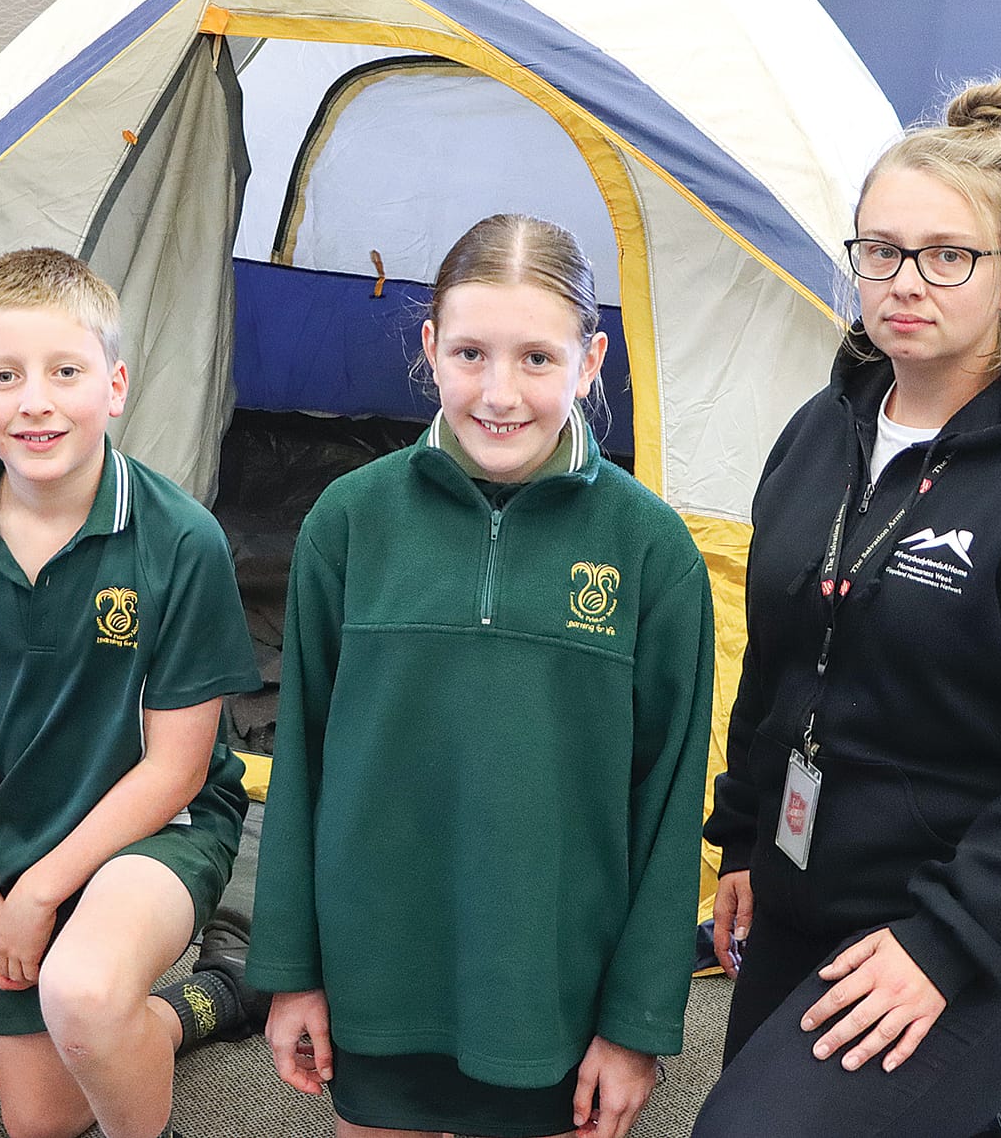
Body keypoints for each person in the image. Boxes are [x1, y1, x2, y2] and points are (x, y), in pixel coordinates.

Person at [695, 79, 1001, 1137]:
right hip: (815, 875)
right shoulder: (821, 430)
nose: (904, 281)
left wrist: (948, 942)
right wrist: (743, 839)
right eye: (880, 250)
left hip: (999, 911)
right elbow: (778, 663)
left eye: (947, 255)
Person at [243, 214, 715, 1138]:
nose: (500, 393)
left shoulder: (653, 552)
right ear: (430, 350)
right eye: (470, 354)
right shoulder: (349, 521)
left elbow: (667, 808)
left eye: (537, 358)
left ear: (591, 361)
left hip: (551, 998)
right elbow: (299, 758)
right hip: (378, 982)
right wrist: (291, 970)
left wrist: (636, 1025)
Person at [0, 248, 270, 1138]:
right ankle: (211, 999)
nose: (35, 401)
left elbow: (175, 770)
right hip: (22, 824)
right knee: (38, 1119)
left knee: (82, 993)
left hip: (160, 829)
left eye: (66, 371)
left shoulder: (182, 540)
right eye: (5, 375)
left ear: (115, 386)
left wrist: (38, 893)